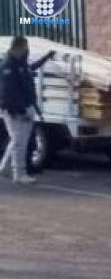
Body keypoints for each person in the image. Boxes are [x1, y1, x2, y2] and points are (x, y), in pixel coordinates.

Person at [0, 36, 55, 184]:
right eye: (26, 47)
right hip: (16, 111)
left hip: (25, 107)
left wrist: (46, 58)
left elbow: (31, 68)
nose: (27, 50)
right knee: (20, 143)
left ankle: (5, 168)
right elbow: (7, 93)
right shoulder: (8, 66)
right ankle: (19, 174)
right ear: (19, 47)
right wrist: (20, 110)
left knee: (16, 141)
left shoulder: (20, 63)